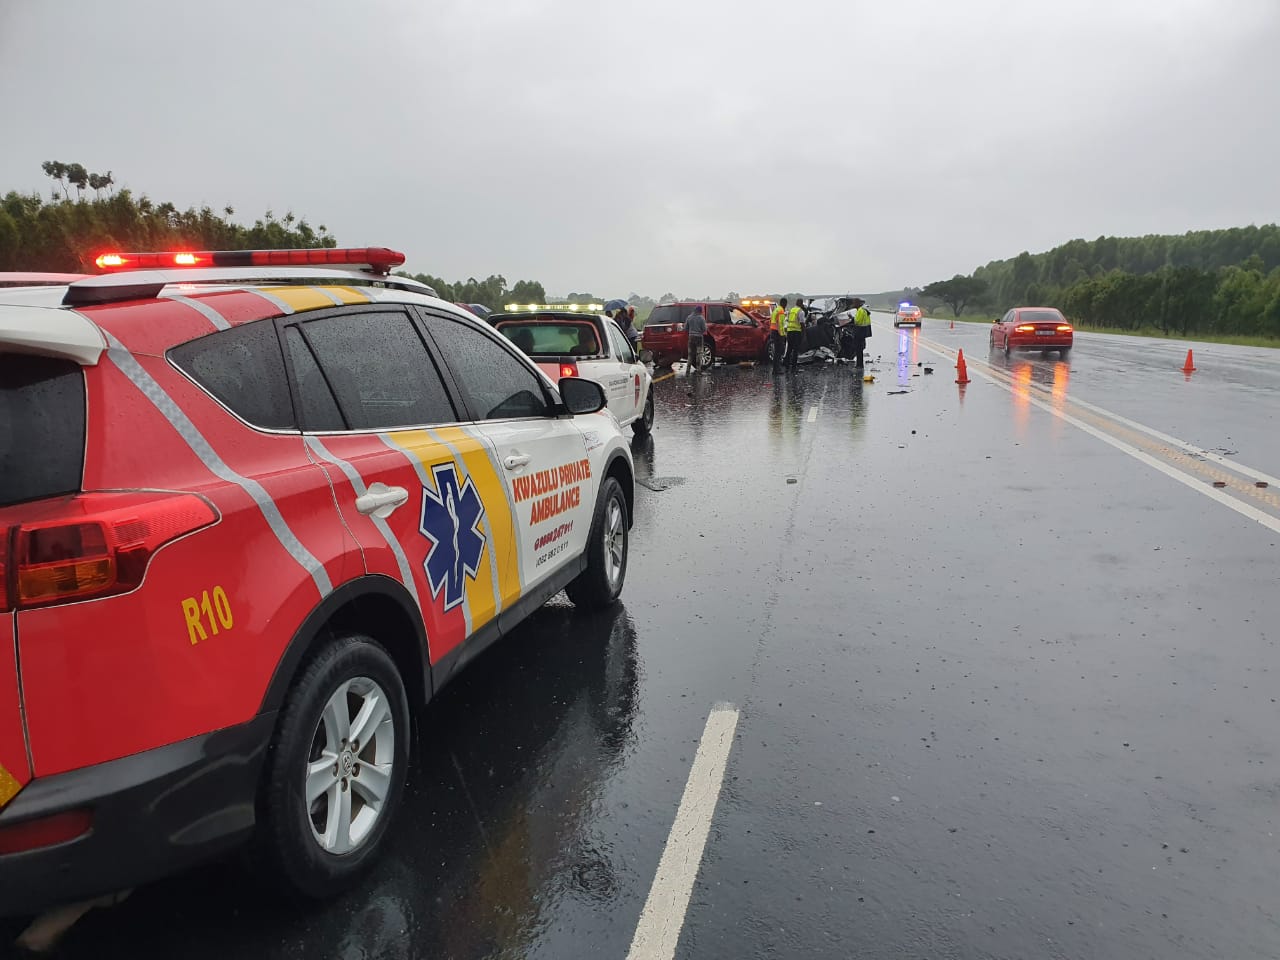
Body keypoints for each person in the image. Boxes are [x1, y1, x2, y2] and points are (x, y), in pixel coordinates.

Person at [685, 304, 708, 371]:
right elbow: (704, 329)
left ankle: (688, 370)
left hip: (691, 337)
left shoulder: (689, 317)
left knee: (690, 354)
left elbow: (686, 328)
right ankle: (698, 370)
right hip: (699, 337)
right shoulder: (701, 318)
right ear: (700, 311)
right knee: (699, 353)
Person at [851, 298, 872, 367]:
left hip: (860, 331)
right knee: (860, 348)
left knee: (858, 349)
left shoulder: (860, 310)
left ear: (858, 304)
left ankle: (859, 365)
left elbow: (857, 321)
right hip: (864, 331)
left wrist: (851, 318)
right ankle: (860, 364)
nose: (853, 305)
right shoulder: (864, 309)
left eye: (854, 303)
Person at [769, 297, 788, 373]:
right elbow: (780, 324)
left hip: (773, 331)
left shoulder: (776, 310)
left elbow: (772, 321)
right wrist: (782, 335)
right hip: (778, 333)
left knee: (776, 352)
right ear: (784, 303)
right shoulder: (781, 311)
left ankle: (775, 369)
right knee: (778, 352)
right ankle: (777, 369)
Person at [784, 298, 804, 369]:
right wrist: (803, 332)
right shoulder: (800, 311)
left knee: (789, 349)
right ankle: (793, 367)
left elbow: (788, 320)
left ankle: (786, 365)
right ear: (801, 304)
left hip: (789, 332)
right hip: (796, 332)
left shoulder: (791, 310)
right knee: (795, 350)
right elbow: (802, 323)